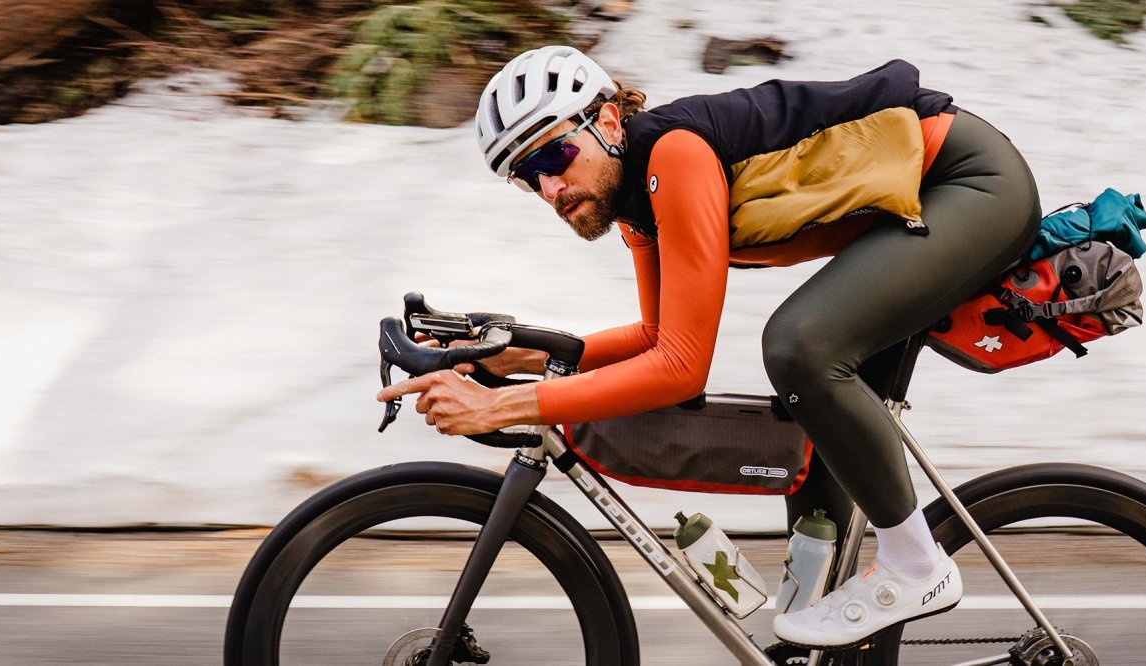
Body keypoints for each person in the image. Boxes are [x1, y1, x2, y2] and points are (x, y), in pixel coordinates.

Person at [374, 45, 1043, 647]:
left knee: (798, 347)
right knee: (812, 426)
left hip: (972, 185)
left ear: (607, 122)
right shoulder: (635, 203)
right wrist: (516, 353)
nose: (550, 188)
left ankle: (915, 566)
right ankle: (822, 637)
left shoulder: (674, 155)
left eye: (552, 156)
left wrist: (506, 407)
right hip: (912, 214)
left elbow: (679, 369)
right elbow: (653, 337)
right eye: (527, 177)